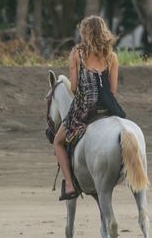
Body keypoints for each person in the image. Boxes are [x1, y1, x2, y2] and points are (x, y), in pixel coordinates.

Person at [53, 15, 125, 200]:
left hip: (85, 107)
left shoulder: (78, 53)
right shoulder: (112, 57)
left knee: (58, 142)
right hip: (109, 107)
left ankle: (69, 185)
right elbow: (113, 89)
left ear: (86, 33)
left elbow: (75, 87)